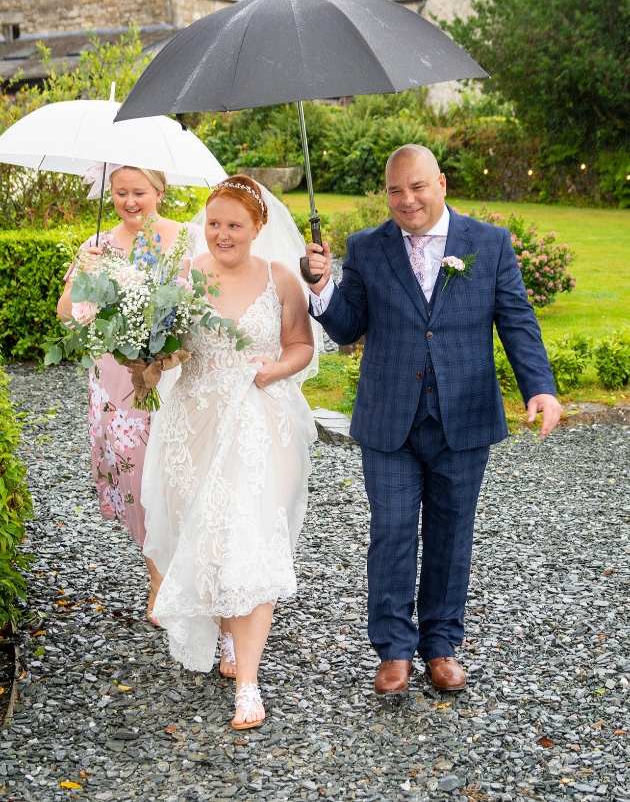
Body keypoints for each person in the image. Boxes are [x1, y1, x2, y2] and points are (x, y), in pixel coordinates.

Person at [305, 145, 562, 695]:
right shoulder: (367, 247)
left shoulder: (488, 242)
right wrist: (323, 287)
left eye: (417, 186)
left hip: (463, 415)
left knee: (451, 533)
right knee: (392, 532)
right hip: (389, 418)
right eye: (395, 190)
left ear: (441, 183)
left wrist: (539, 388)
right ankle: (394, 650)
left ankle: (441, 644)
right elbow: (348, 327)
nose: (407, 200)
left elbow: (516, 318)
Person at [141, 175, 317, 729]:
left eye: (234, 225)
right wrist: (147, 361)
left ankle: (249, 685)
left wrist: (276, 369)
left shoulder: (281, 278)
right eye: (213, 223)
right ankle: (226, 633)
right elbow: (166, 350)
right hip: (193, 424)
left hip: (261, 421)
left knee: (251, 538)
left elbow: (301, 345)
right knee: (208, 540)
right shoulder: (184, 276)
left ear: (258, 227)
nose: (221, 233)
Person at [58, 165, 206, 624]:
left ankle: (191, 571)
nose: (129, 201)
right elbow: (66, 312)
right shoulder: (97, 245)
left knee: (181, 472)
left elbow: (208, 304)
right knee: (136, 474)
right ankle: (158, 575)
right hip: (117, 379)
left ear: (159, 190)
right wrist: (85, 276)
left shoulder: (189, 239)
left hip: (176, 375)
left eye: (138, 191)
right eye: (120, 192)